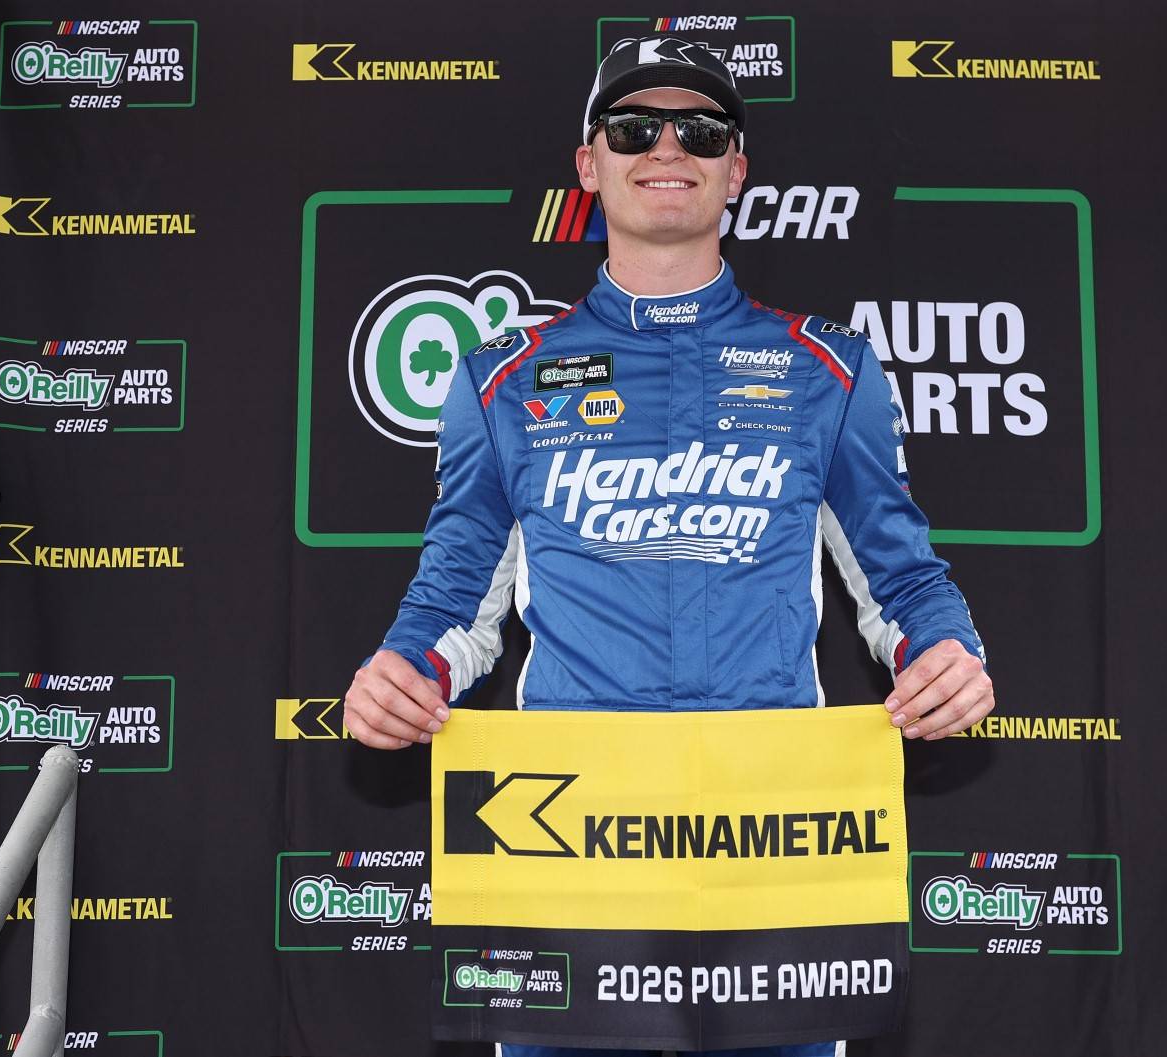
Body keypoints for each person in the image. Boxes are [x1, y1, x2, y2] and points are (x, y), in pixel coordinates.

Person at [344, 35, 995, 1057]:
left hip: (772, 828)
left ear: (735, 169)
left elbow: (902, 576)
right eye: (634, 126)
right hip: (568, 835)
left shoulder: (830, 365)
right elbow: (454, 595)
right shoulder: (498, 377)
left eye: (701, 129)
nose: (667, 148)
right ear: (588, 162)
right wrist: (397, 671)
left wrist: (951, 657)